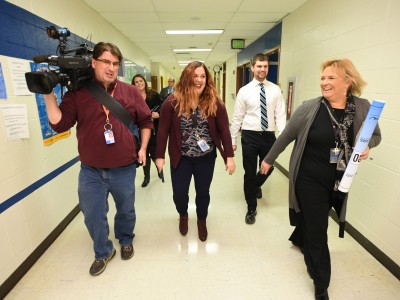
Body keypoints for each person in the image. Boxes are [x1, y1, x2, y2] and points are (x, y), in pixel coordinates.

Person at [260, 58, 381, 300]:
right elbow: (286, 136)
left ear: (348, 82)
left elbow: (375, 135)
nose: (324, 83)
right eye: (323, 78)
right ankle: (321, 282)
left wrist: (368, 146)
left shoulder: (363, 107)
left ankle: (299, 236)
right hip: (308, 178)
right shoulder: (309, 108)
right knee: (319, 230)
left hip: (338, 179)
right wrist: (268, 160)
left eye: (330, 78)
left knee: (315, 219)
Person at [42, 42, 153, 276]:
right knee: (92, 214)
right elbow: (60, 124)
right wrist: (48, 94)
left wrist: (143, 148)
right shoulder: (78, 94)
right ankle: (103, 251)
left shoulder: (129, 92)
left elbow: (145, 121)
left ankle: (125, 239)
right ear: (93, 63)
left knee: (126, 210)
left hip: (124, 168)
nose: (111, 68)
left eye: (115, 64)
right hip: (91, 170)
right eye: (106, 62)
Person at [155, 61, 235, 242]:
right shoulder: (172, 102)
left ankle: (201, 220)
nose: (199, 80)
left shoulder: (214, 102)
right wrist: (159, 156)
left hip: (206, 157)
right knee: (179, 193)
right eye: (195, 76)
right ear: (187, 78)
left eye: (203, 76)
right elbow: (162, 130)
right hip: (181, 157)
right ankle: (183, 215)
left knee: (203, 191)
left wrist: (229, 156)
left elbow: (224, 130)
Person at [230, 53, 286, 225]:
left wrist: (282, 138)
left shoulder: (275, 90)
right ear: (252, 67)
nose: (262, 69)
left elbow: (281, 116)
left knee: (268, 168)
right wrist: (233, 139)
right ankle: (251, 207)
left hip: (269, 136)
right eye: (259, 66)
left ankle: (254, 186)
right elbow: (237, 117)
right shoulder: (244, 91)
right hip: (249, 135)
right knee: (249, 171)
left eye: (265, 66)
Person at [132, 74, 164, 187]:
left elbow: (163, 108)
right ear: (133, 84)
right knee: (144, 154)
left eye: (141, 81)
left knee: (155, 153)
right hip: (140, 131)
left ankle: (160, 170)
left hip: (154, 130)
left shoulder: (154, 95)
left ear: (145, 82)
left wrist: (158, 114)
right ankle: (147, 177)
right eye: (136, 82)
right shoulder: (132, 97)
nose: (139, 83)